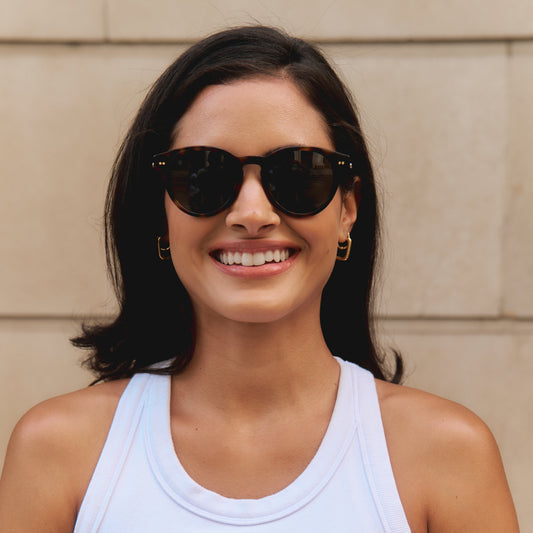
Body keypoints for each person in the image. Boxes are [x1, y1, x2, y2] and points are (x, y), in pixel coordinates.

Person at [0, 25, 519, 532]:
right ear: (160, 211)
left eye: (298, 172)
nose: (252, 213)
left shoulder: (447, 455)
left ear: (348, 209)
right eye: (202, 173)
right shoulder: (58, 452)